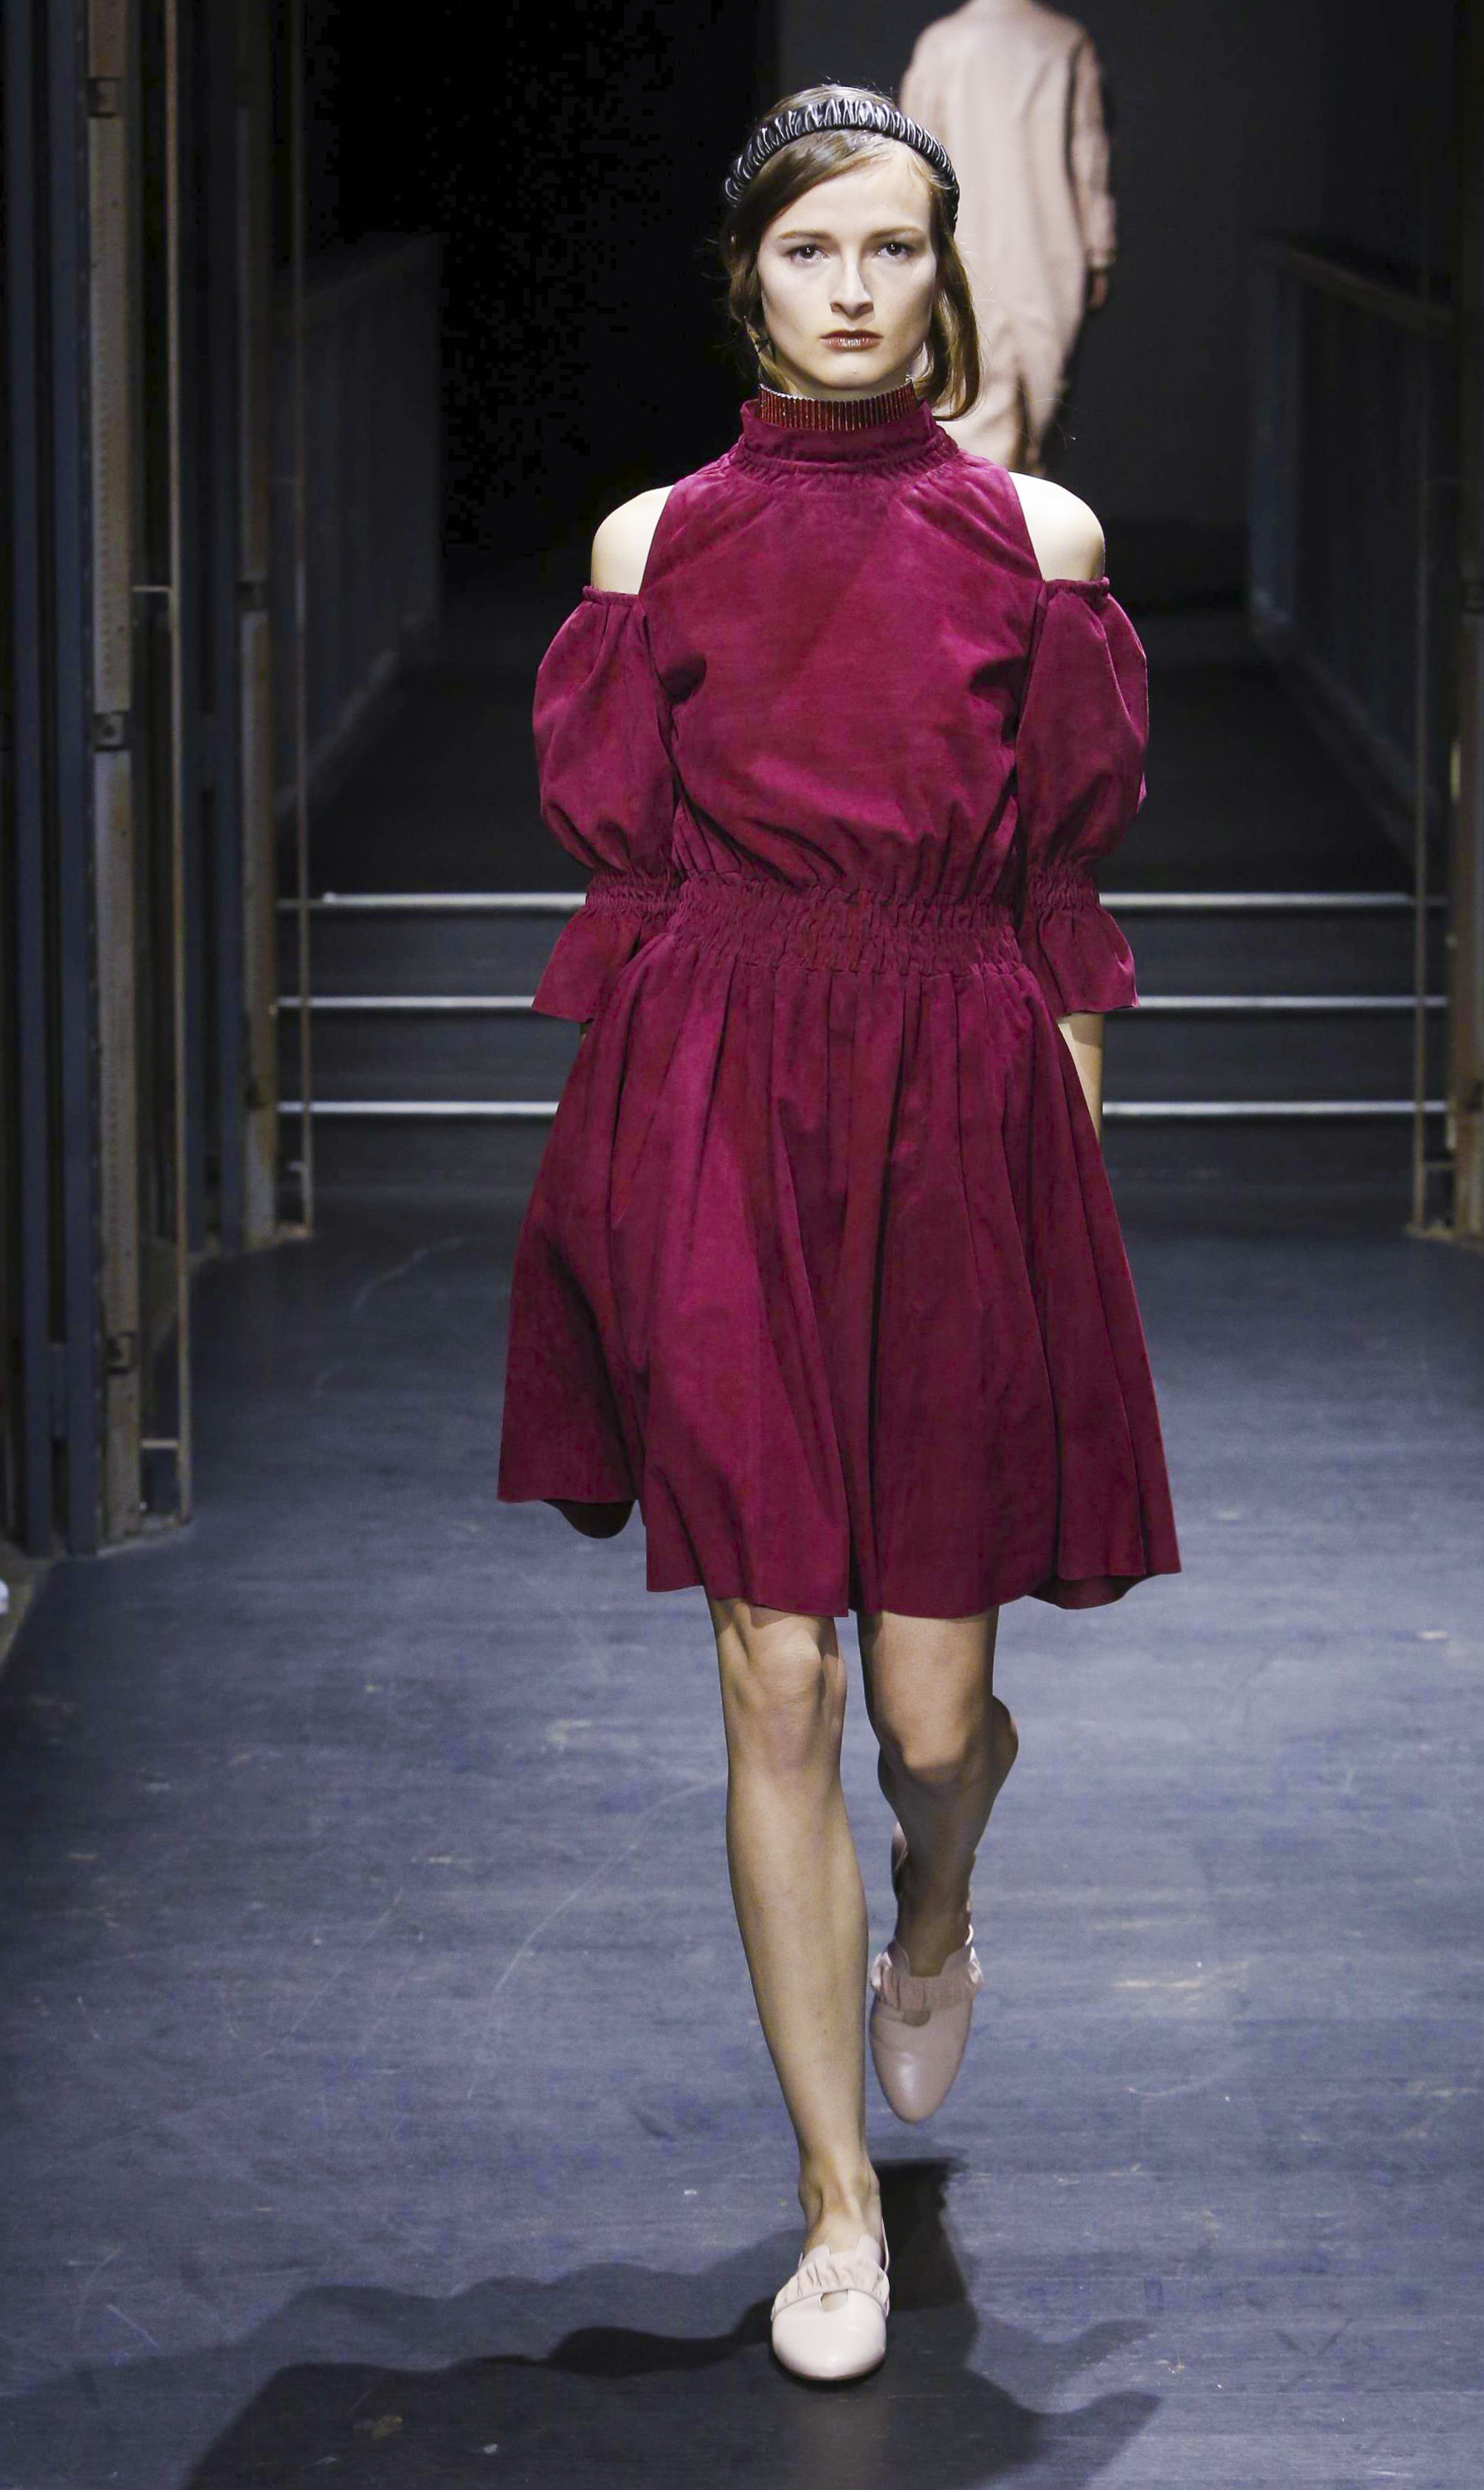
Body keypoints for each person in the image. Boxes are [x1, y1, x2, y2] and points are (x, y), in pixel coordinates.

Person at [496, 82, 1179, 2384]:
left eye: (893, 247)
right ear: (747, 281)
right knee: (770, 1663)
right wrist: (614, 1201)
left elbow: (1057, 895)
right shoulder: (652, 547)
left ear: (940, 270)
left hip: (954, 1110)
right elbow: (628, 891)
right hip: (717, 1107)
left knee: (926, 1709)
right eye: (812, 251)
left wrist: (1063, 1189)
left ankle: (944, 1881)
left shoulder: (1036, 538)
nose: (856, 288)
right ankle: (833, 2205)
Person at [900, 0, 1118, 471]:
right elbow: (1089, 154)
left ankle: (981, 509)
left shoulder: (942, 44)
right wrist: (1097, 251)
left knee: (968, 407)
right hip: (1048, 248)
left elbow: (908, 163)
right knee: (1031, 416)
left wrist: (900, 252)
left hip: (959, 246)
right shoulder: (1065, 41)